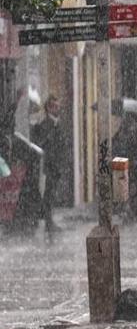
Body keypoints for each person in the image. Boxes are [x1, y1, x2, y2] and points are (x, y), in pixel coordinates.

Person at [30, 95, 70, 235]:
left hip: (56, 165)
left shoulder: (57, 123)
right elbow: (43, 144)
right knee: (48, 195)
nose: (58, 108)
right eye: (55, 106)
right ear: (49, 108)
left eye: (58, 106)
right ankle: (48, 222)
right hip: (49, 166)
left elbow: (62, 144)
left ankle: (49, 221)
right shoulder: (46, 124)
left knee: (51, 194)